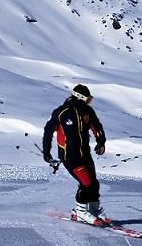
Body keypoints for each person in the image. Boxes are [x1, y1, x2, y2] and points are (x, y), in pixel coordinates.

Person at [42, 84, 107, 225]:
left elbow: (97, 127)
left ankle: (93, 210)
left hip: (85, 154)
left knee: (94, 184)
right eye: (88, 99)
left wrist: (100, 142)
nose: (89, 102)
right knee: (87, 184)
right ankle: (80, 212)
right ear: (80, 97)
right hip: (70, 156)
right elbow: (48, 131)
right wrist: (46, 152)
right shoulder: (62, 112)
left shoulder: (87, 111)